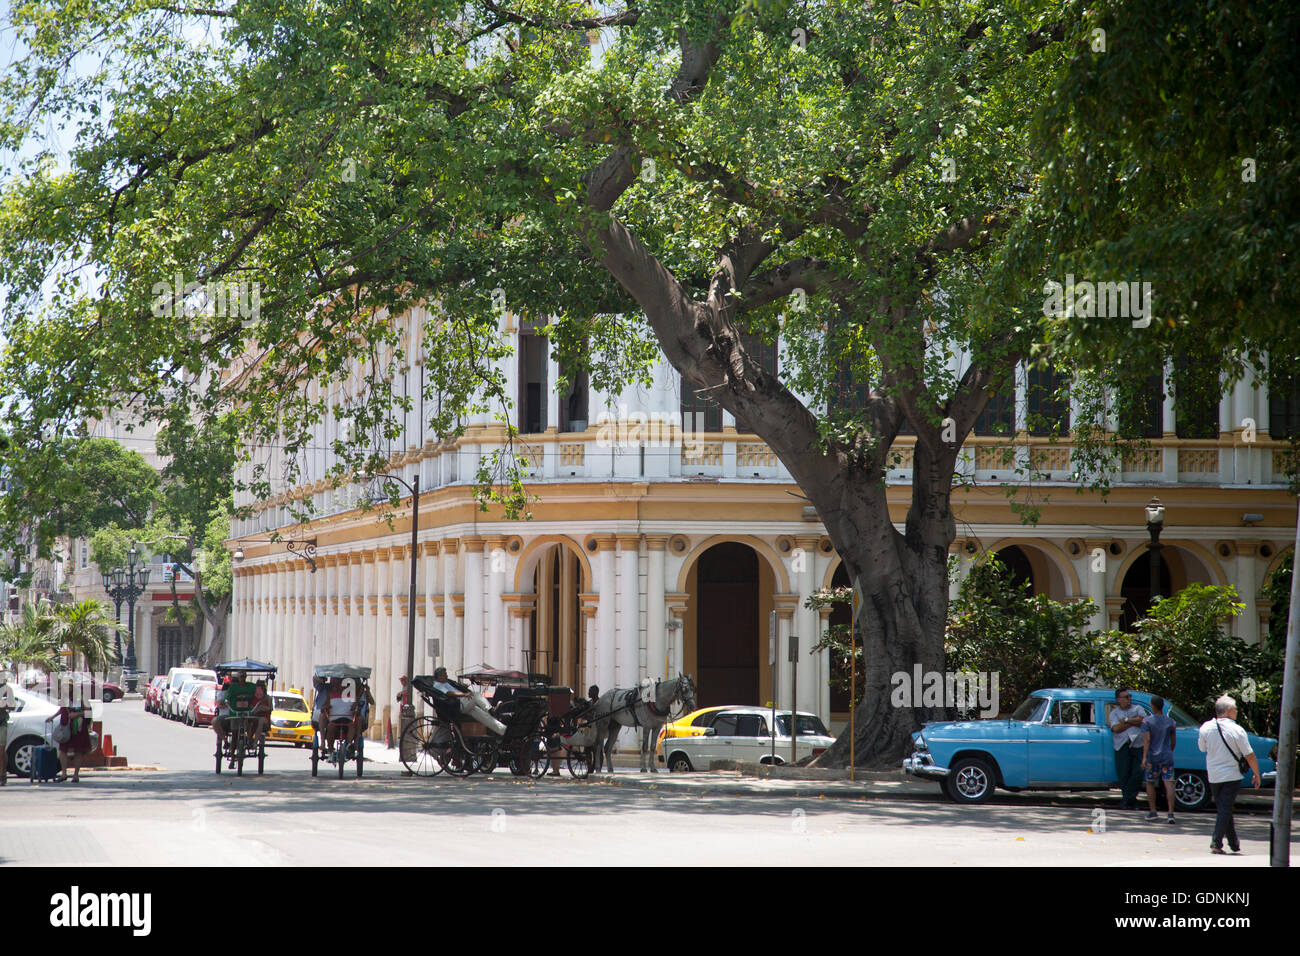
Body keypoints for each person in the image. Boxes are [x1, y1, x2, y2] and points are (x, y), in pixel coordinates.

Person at [1198, 695, 1261, 855]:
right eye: (1236, 709)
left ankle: (1234, 843)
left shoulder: (1205, 727)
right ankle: (1216, 842)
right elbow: (1249, 755)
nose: (1237, 712)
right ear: (1228, 710)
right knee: (1224, 808)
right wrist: (1256, 773)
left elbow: (1202, 748)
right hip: (1231, 775)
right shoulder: (1236, 730)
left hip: (1213, 775)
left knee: (1223, 808)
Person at [431, 666, 505, 735]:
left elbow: (454, 690)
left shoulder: (446, 683)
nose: (447, 676)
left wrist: (463, 688)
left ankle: (503, 730)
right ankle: (490, 709)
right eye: (445, 675)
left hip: (464, 702)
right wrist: (464, 694)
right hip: (458, 704)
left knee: (485, 716)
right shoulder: (438, 685)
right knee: (476, 695)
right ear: (439, 677)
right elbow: (449, 693)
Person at [1140, 695, 1178, 824]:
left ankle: (1153, 811)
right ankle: (1171, 814)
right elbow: (1173, 742)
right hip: (1167, 756)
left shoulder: (1146, 721)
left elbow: (1147, 739)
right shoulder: (1171, 722)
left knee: (1150, 783)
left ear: (1152, 706)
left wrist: (1144, 757)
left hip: (1152, 757)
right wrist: (1169, 751)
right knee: (1169, 783)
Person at [1109, 689, 1146, 809]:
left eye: (1129, 696)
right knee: (1123, 773)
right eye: (1125, 697)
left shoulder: (1138, 708)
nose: (1129, 699)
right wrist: (1133, 721)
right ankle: (1130, 800)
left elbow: (1143, 721)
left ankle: (1127, 799)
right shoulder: (1114, 713)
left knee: (1137, 772)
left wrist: (1126, 720)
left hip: (1138, 744)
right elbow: (1116, 728)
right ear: (1118, 699)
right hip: (1121, 744)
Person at [56, 702, 93, 783]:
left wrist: (77, 714)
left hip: (78, 727)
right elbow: (62, 709)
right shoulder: (65, 697)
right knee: (62, 750)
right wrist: (53, 716)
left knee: (78, 751)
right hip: (65, 727)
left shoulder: (81, 697)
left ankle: (76, 775)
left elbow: (89, 713)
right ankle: (64, 774)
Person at [0, 671, 15, 785]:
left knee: (1, 750)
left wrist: (4, 703)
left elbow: (12, 706)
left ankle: (3, 774)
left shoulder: (7, 689)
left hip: (1, 722)